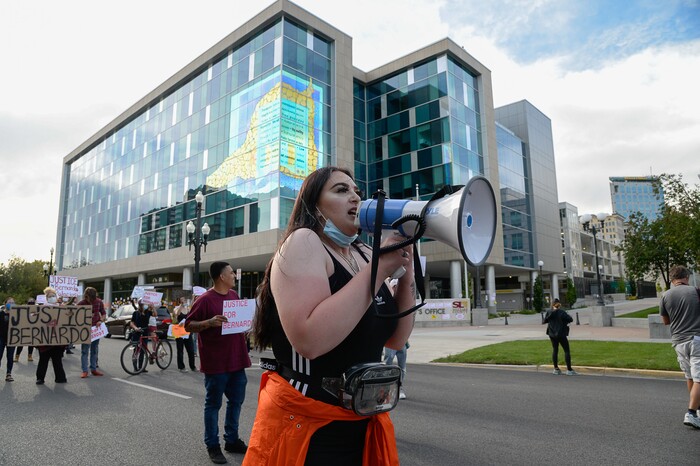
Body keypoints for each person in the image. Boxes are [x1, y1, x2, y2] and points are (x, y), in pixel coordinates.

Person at [245, 167, 415, 465]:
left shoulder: (362, 252)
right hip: (308, 421)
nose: (355, 198)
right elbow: (310, 340)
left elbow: (396, 339)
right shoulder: (304, 241)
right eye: (340, 190)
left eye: (357, 192)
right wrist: (382, 266)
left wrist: (406, 268)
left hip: (361, 419)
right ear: (314, 205)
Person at [185, 261, 251, 465]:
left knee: (236, 402)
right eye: (231, 273)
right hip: (216, 363)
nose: (234, 276)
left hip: (237, 360)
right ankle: (212, 445)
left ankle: (231, 440)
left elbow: (239, 322)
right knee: (213, 405)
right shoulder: (204, 300)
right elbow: (188, 325)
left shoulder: (234, 296)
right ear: (222, 277)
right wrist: (208, 322)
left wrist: (247, 325)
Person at [659, 265, 700, 429]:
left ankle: (696, 411)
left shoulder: (665, 295)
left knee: (690, 376)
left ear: (672, 279)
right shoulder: (695, 291)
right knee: (699, 378)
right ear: (686, 277)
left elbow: (665, 321)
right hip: (696, 338)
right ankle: (691, 412)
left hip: (678, 341)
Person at [35, 288, 67, 385]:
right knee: (43, 360)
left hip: (57, 339)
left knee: (57, 360)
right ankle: (40, 378)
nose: (52, 298)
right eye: (50, 296)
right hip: (45, 339)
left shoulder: (61, 308)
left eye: (53, 296)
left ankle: (60, 377)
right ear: (46, 298)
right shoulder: (42, 308)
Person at [77, 287, 106, 378]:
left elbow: (104, 313)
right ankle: (85, 370)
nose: (91, 301)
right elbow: (73, 313)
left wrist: (100, 320)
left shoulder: (99, 302)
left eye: (93, 298)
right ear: (86, 296)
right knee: (85, 351)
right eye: (90, 298)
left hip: (96, 330)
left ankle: (93, 369)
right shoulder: (81, 303)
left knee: (94, 350)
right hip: (85, 329)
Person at [544, 298, 576, 376]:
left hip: (552, 334)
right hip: (561, 334)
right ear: (559, 305)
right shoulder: (562, 312)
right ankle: (569, 369)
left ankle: (556, 369)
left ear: (552, 304)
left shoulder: (549, 312)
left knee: (555, 350)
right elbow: (570, 319)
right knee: (566, 350)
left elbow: (545, 321)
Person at [130, 299, 153, 373]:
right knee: (135, 350)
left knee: (143, 350)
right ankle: (135, 367)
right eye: (144, 304)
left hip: (145, 332)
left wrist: (153, 307)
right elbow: (131, 323)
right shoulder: (136, 313)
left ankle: (141, 367)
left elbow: (155, 314)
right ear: (141, 305)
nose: (146, 305)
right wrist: (135, 328)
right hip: (137, 333)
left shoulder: (148, 312)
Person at [174, 296, 196, 372]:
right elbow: (177, 314)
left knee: (191, 349)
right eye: (182, 299)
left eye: (184, 299)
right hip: (179, 331)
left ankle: (192, 366)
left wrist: (193, 298)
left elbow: (192, 307)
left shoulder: (187, 309)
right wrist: (181, 305)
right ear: (179, 301)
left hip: (187, 331)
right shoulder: (176, 308)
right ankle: (181, 367)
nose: (184, 300)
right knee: (180, 350)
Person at [14, 298, 36, 363]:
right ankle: (17, 357)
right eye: (30, 303)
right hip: (23, 329)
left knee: (31, 344)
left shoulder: (36, 311)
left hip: (32, 330)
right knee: (21, 344)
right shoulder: (23, 310)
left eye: (32, 304)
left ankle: (30, 356)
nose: (31, 305)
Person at [1, 297, 17, 382]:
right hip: (1, 338)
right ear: (5, 304)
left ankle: (8, 374)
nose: (11, 304)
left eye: (13, 302)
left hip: (12, 338)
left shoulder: (17, 315)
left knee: (10, 357)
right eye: (9, 302)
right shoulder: (1, 314)